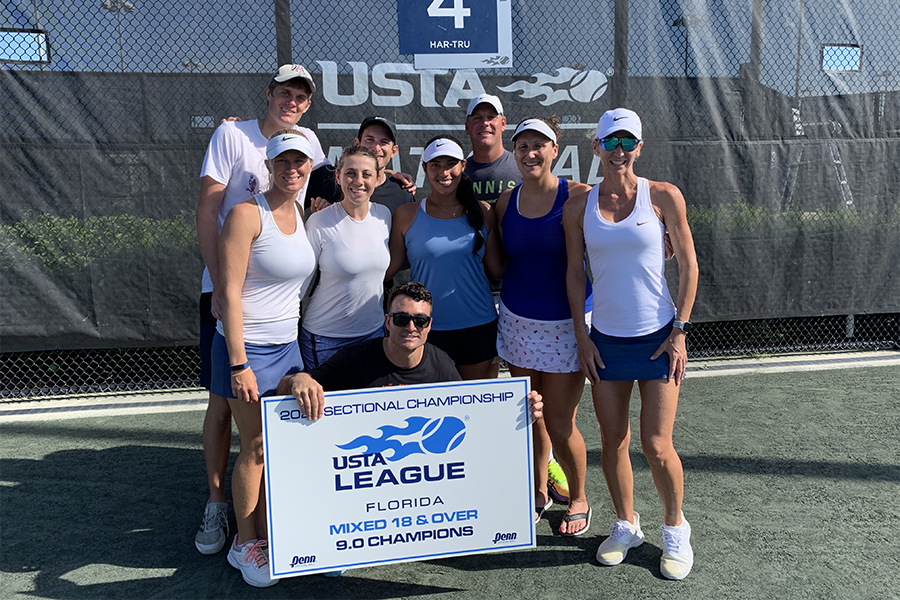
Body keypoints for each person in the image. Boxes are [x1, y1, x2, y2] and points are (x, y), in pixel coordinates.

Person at [193, 64, 326, 555]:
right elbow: (208, 209)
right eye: (285, 92)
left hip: (280, 327)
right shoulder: (231, 136)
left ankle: (267, 521)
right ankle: (218, 505)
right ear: (268, 93)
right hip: (230, 298)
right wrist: (221, 286)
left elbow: (335, 180)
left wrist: (390, 174)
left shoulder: (308, 144)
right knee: (223, 408)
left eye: (300, 96)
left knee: (269, 435)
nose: (292, 101)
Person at [563, 108, 699, 579]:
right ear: (596, 147)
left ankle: (676, 529)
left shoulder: (663, 196)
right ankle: (626, 525)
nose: (618, 151)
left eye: (627, 142)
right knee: (613, 441)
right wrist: (582, 335)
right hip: (605, 341)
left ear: (638, 147)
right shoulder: (579, 205)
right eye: (610, 142)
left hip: (660, 338)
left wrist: (679, 331)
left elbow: (689, 265)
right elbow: (574, 273)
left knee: (657, 445)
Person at [216, 131, 318, 587]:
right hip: (248, 350)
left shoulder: (300, 212)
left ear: (309, 167)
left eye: (299, 161)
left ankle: (269, 532)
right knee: (256, 446)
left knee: (280, 446)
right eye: (283, 161)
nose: (292, 169)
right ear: (269, 166)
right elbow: (228, 293)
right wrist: (239, 364)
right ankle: (245, 544)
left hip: (287, 348)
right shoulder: (245, 214)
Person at [495, 116, 593, 534]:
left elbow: (626, 213)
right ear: (514, 153)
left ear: (555, 150)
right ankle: (538, 489)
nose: (530, 153)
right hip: (517, 322)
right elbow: (500, 261)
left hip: (567, 326)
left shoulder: (581, 195)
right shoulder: (506, 202)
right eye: (522, 146)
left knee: (559, 422)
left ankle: (580, 497)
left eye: (539, 145)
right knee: (532, 416)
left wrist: (662, 230)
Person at [279, 280, 543, 420]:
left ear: (429, 326)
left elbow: (468, 418)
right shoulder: (355, 359)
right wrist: (299, 380)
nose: (410, 327)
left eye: (420, 321)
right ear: (387, 322)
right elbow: (286, 389)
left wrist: (516, 412)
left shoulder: (442, 365)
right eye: (401, 319)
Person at [386, 136, 503, 380]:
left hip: (478, 326)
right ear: (424, 168)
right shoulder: (406, 215)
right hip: (424, 328)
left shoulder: (483, 212)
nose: (444, 172)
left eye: (451, 164)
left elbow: (497, 270)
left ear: (463, 166)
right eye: (436, 165)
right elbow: (389, 267)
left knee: (471, 401)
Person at [300, 146, 392, 368]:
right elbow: (299, 286)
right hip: (325, 340)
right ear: (338, 177)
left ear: (377, 179)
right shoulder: (319, 221)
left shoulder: (384, 216)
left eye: (366, 174)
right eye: (350, 173)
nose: (358, 181)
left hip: (374, 335)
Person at [463, 94, 521, 205]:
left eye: (491, 117)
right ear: (467, 127)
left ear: (503, 124)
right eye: (477, 118)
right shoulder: (458, 174)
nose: (485, 123)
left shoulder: (522, 167)